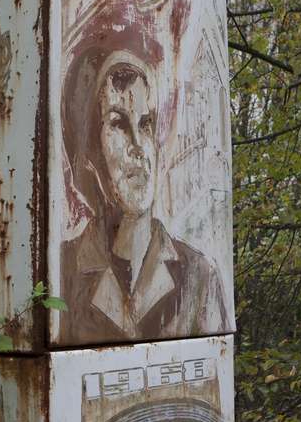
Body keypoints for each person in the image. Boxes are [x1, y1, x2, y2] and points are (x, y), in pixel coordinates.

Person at [60, 49, 227, 344]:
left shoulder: (200, 277)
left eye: (145, 124)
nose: (138, 146)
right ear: (90, 153)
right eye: (119, 124)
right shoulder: (62, 272)